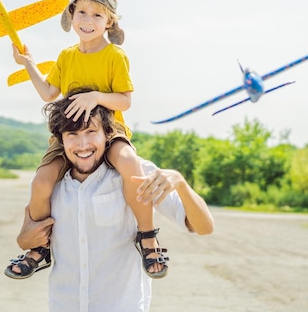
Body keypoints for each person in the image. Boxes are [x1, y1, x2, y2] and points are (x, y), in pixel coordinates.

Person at [5, 0, 167, 279]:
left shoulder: (115, 56)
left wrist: (94, 97)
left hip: (109, 132)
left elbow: (125, 100)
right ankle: (39, 247)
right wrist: (27, 62)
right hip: (70, 134)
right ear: (70, 15)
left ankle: (147, 235)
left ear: (109, 21)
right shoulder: (66, 56)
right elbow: (49, 93)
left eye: (97, 14)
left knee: (131, 165)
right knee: (41, 182)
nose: (88, 21)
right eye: (81, 12)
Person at [17, 92, 214, 312]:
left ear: (107, 134)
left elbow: (204, 227)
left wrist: (180, 183)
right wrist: (25, 240)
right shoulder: (49, 184)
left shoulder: (135, 174)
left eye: (91, 132)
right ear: (60, 140)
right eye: (72, 134)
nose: (83, 144)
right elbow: (27, 238)